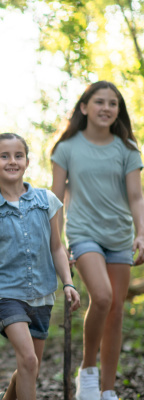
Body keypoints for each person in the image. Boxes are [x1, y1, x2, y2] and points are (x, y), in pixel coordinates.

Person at [0, 133, 80, 400]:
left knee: (30, 367)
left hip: (43, 294)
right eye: (4, 156)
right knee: (28, 360)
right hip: (7, 294)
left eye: (18, 155)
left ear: (26, 161)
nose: (12, 161)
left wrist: (68, 283)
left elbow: (57, 248)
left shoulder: (46, 200)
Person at [50, 81, 144, 400]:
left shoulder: (128, 149)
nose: (107, 108)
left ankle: (107, 390)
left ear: (118, 111)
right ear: (84, 107)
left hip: (119, 236)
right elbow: (56, 199)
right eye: (100, 102)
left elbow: (136, 196)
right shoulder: (66, 148)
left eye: (113, 103)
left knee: (116, 309)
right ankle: (87, 371)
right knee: (102, 297)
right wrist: (57, 243)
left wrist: (142, 232)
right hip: (83, 233)